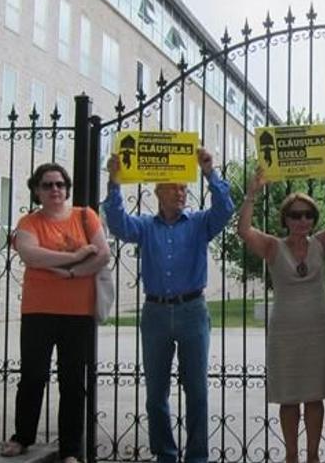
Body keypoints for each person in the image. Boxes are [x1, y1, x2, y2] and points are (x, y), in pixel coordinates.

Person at [103, 149, 235, 463]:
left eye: (184, 189)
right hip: (155, 314)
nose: (180, 193)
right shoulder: (146, 226)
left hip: (192, 311)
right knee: (155, 394)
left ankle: (197, 457)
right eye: (174, 188)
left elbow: (226, 209)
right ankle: (165, 454)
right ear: (158, 192)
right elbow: (118, 224)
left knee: (197, 391)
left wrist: (209, 173)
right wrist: (114, 181)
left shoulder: (201, 222)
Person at [237, 167, 325, 463]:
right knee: (289, 398)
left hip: (317, 327)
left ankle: (312, 456)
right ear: (285, 219)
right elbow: (244, 231)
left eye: (308, 215)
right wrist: (252, 193)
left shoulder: (321, 243)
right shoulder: (273, 246)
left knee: (315, 396)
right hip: (285, 332)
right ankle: (291, 456)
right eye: (296, 215)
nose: (302, 220)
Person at [3, 164, 110, 463]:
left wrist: (73, 273)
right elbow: (30, 254)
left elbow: (102, 254)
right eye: (47, 185)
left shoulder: (85, 216)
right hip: (38, 310)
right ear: (36, 190)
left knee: (73, 381)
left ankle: (71, 450)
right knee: (33, 376)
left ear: (67, 187)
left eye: (60, 184)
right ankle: (22, 437)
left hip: (77, 311)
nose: (55, 190)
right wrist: (75, 256)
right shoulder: (29, 221)